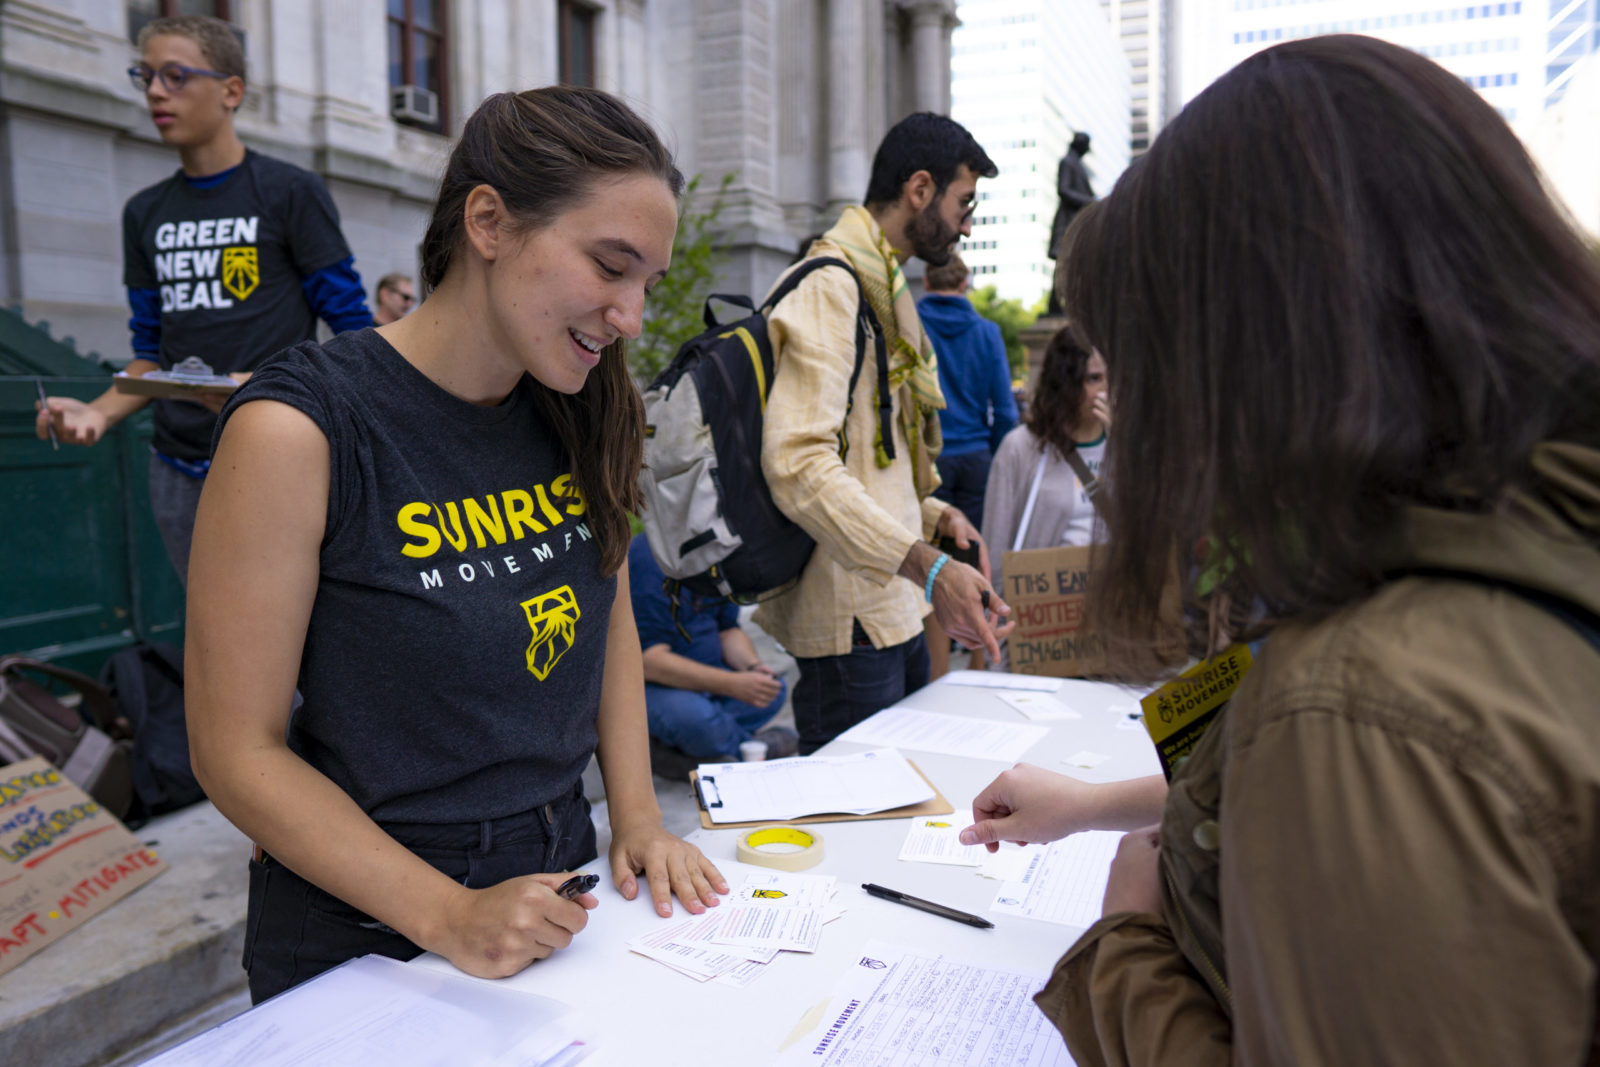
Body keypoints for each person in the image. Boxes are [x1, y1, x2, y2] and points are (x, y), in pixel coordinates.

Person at [961, 35, 1600, 1064]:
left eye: (1145, 370)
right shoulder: (1521, 541)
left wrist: (1125, 950)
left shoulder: (1365, 705)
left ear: (1242, 360)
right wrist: (1098, 808)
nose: (1134, 417)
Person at [185, 86, 728, 1005]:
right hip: (363, 922)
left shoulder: (584, 407)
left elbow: (608, 619)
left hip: (561, 888)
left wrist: (636, 813)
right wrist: (445, 912)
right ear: (488, 221)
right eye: (609, 265)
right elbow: (235, 751)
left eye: (650, 284)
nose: (631, 315)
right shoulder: (301, 426)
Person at [33, 14, 372, 585]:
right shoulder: (144, 212)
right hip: (176, 469)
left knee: (295, 650)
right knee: (216, 647)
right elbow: (149, 355)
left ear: (231, 91)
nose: (156, 91)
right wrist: (95, 412)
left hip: (274, 459)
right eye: (146, 76)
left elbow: (356, 336)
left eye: (175, 75)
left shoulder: (291, 192)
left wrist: (266, 390)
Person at [757, 113, 1013, 754]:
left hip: (890, 614)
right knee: (857, 831)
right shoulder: (832, 286)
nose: (968, 224)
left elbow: (870, 465)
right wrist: (929, 569)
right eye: (964, 202)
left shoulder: (883, 289)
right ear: (920, 190)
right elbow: (798, 464)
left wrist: (934, 515)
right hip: (852, 626)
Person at [627, 533, 796, 766]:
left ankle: (685, 753)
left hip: (712, 681)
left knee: (772, 689)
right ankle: (748, 749)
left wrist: (753, 668)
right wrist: (732, 684)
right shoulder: (650, 557)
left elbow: (728, 630)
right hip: (656, 687)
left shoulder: (715, 547)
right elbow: (650, 661)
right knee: (698, 722)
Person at [981, 327, 1109, 604]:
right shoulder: (1020, 448)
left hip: (1112, 610)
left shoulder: (1126, 447)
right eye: (1095, 379)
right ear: (1066, 382)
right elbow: (996, 542)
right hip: (1047, 615)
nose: (1106, 390)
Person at [918, 252, 1017, 525]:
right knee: (971, 547)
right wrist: (992, 449)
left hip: (928, 455)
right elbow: (1006, 411)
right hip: (976, 456)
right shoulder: (988, 332)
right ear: (964, 284)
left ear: (926, 282)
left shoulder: (911, 327)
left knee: (926, 551)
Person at [1045, 132, 1094, 317]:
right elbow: (1063, 190)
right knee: (1064, 264)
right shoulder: (1067, 162)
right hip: (1067, 222)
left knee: (1075, 265)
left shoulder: (1079, 166)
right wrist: (1090, 202)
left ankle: (1066, 306)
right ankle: (1056, 308)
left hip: (1077, 223)